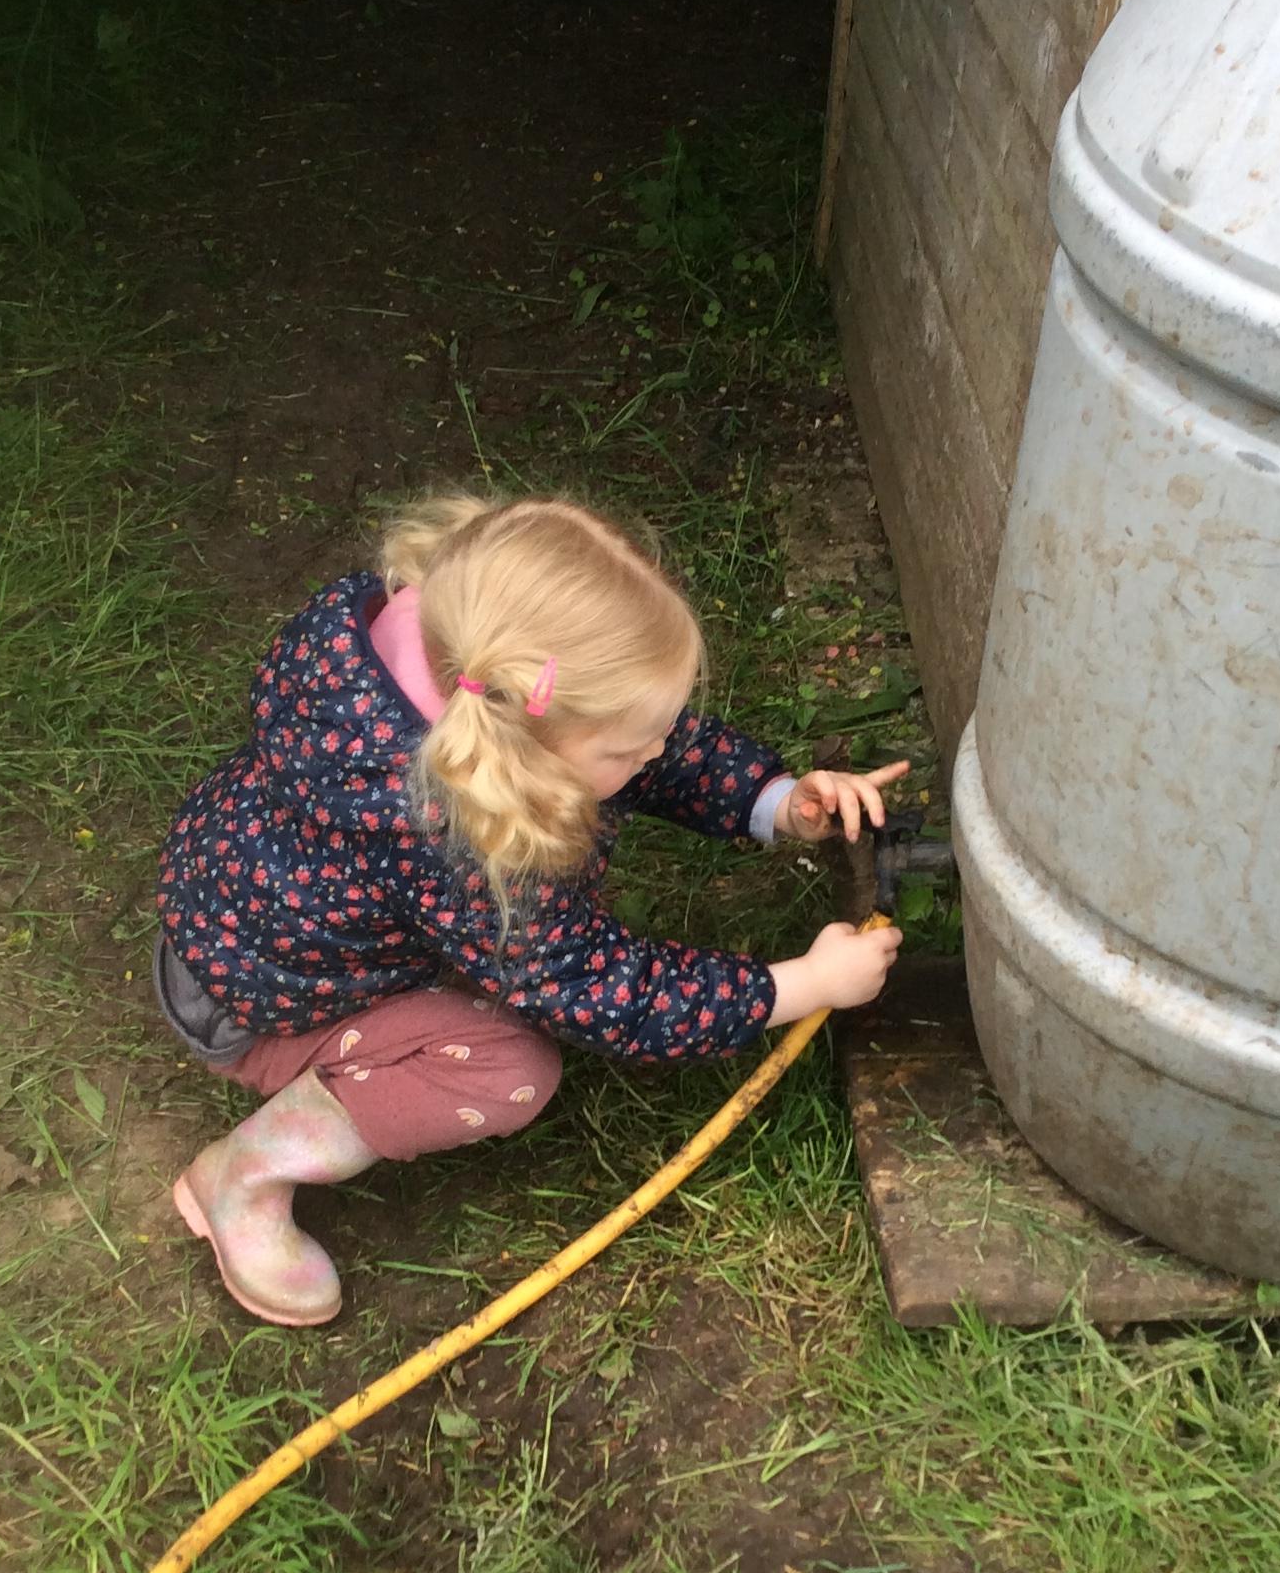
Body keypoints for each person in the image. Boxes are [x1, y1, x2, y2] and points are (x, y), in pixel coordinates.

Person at [155, 491, 905, 1325]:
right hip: (254, 1008)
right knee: (510, 1070)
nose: (660, 749)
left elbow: (639, 739)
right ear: (523, 754)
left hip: (229, 910)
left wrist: (775, 801)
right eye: (632, 748)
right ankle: (247, 1175)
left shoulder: (448, 645)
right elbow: (599, 987)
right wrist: (799, 986)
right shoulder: (462, 846)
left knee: (591, 774)